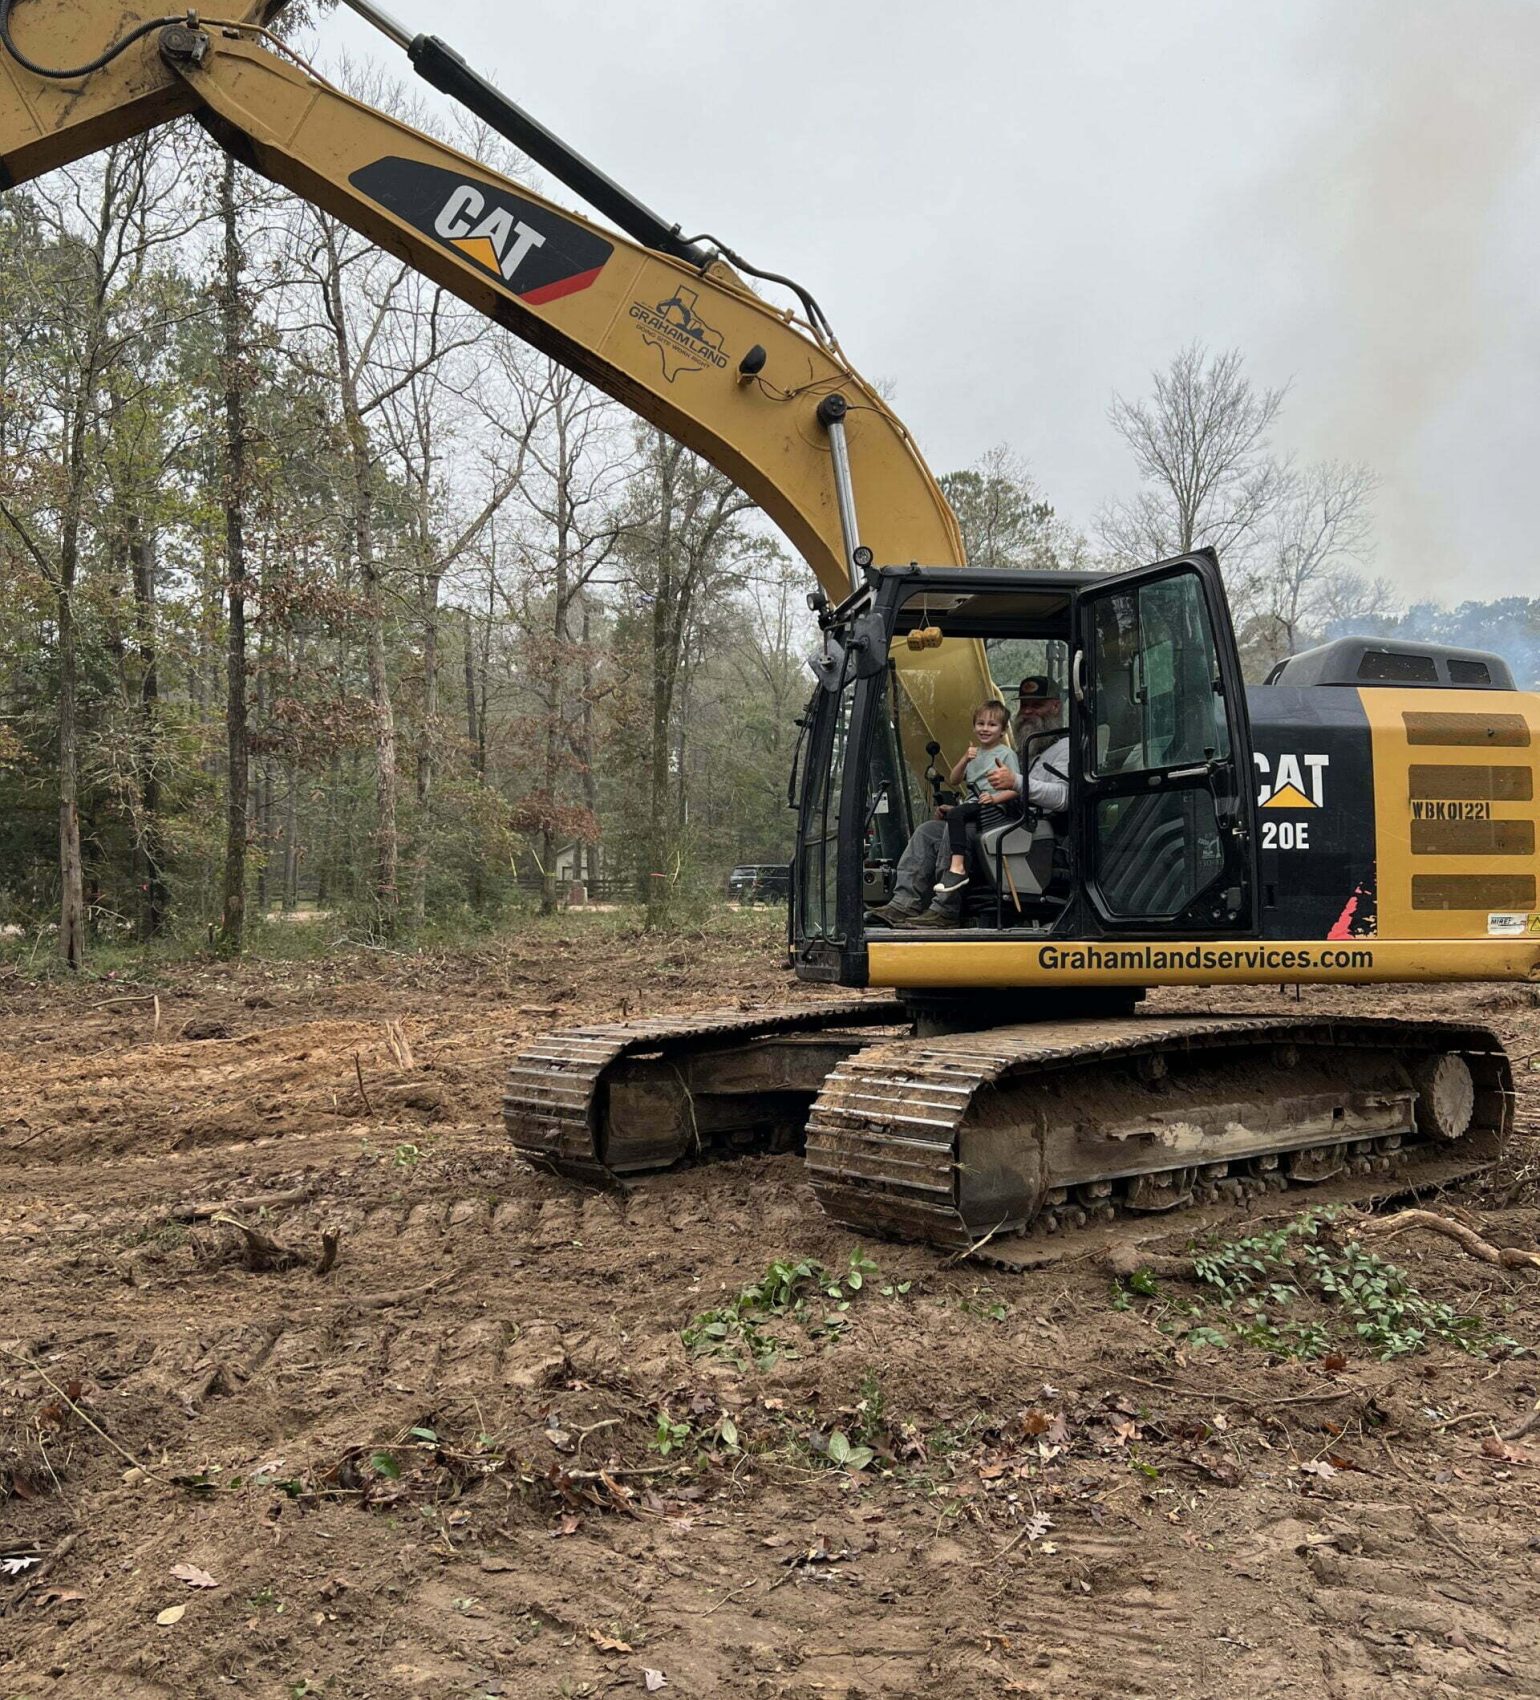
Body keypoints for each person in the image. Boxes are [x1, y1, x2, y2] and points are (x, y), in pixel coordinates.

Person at [898, 675, 1068, 928]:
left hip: (1032, 833)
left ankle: (945, 908)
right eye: (1024, 705)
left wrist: (1016, 782)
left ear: (1055, 707)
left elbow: (1063, 798)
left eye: (1037, 705)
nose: (1028, 712)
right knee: (929, 832)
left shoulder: (1065, 747)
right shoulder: (1029, 752)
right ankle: (904, 902)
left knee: (961, 829)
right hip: (1001, 820)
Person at [931, 700, 1020, 900]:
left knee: (956, 814)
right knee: (951, 816)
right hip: (973, 804)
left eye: (992, 725)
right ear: (973, 727)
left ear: (1003, 730)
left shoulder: (1006, 754)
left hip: (993, 809)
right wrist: (964, 759)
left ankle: (957, 868)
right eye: (980, 724)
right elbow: (954, 779)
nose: (985, 729)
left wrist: (996, 798)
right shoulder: (974, 754)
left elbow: (1016, 789)